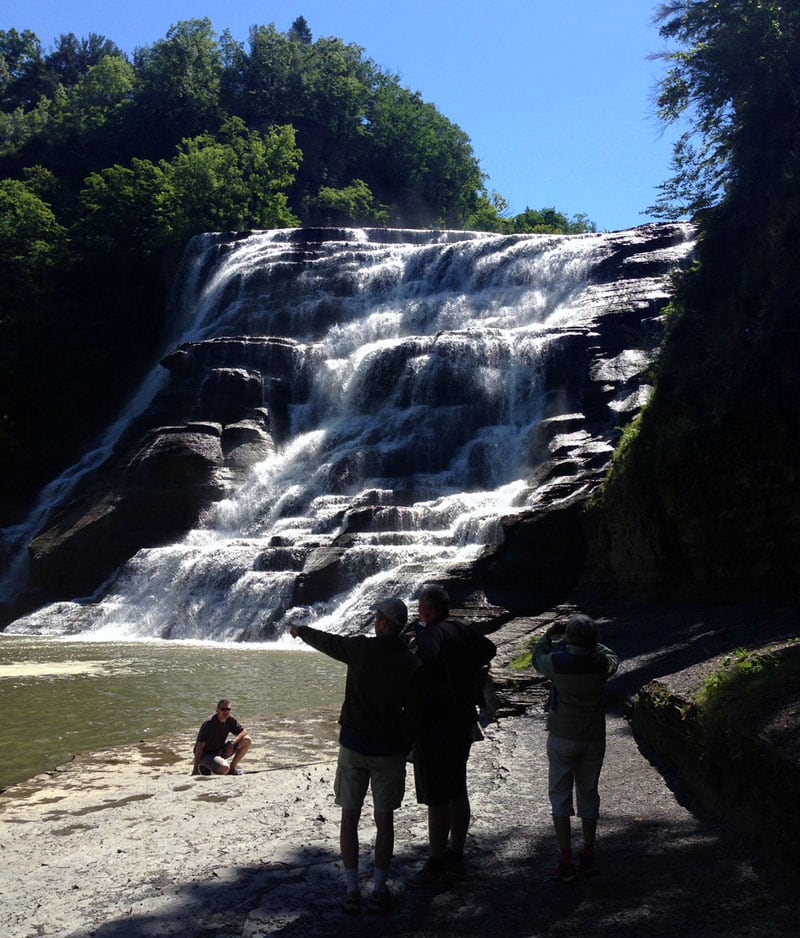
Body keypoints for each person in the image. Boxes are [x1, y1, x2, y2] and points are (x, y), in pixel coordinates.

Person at [290, 598, 424, 914]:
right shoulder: (411, 663)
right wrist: (403, 745)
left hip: (353, 746)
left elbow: (329, 642)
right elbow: (414, 715)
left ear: (384, 623)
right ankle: (378, 889)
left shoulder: (361, 650)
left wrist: (300, 631)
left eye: (377, 617)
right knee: (384, 820)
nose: (374, 621)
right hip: (388, 751)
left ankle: (352, 890)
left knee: (349, 817)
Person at [407, 583, 496, 889]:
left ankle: (435, 860)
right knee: (458, 787)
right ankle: (456, 852)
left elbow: (424, 663)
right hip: (463, 720)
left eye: (421, 606)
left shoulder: (430, 634)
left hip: (436, 724)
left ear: (427, 610)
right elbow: (489, 650)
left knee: (437, 795)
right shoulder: (461, 628)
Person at [533, 613, 619, 881]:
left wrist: (549, 635)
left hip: (561, 734)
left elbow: (537, 657)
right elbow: (613, 657)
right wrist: (594, 642)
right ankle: (589, 855)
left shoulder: (556, 663)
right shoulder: (601, 662)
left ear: (568, 637)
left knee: (560, 796)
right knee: (589, 793)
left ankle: (566, 860)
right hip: (593, 735)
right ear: (593, 640)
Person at [192, 699, 253, 776]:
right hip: (206, 755)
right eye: (223, 709)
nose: (225, 712)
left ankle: (232, 769)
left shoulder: (230, 720)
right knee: (224, 768)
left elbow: (244, 731)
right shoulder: (209, 723)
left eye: (228, 709)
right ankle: (204, 767)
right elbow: (199, 747)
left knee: (247, 740)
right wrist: (195, 769)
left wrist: (233, 742)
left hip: (220, 750)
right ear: (217, 710)